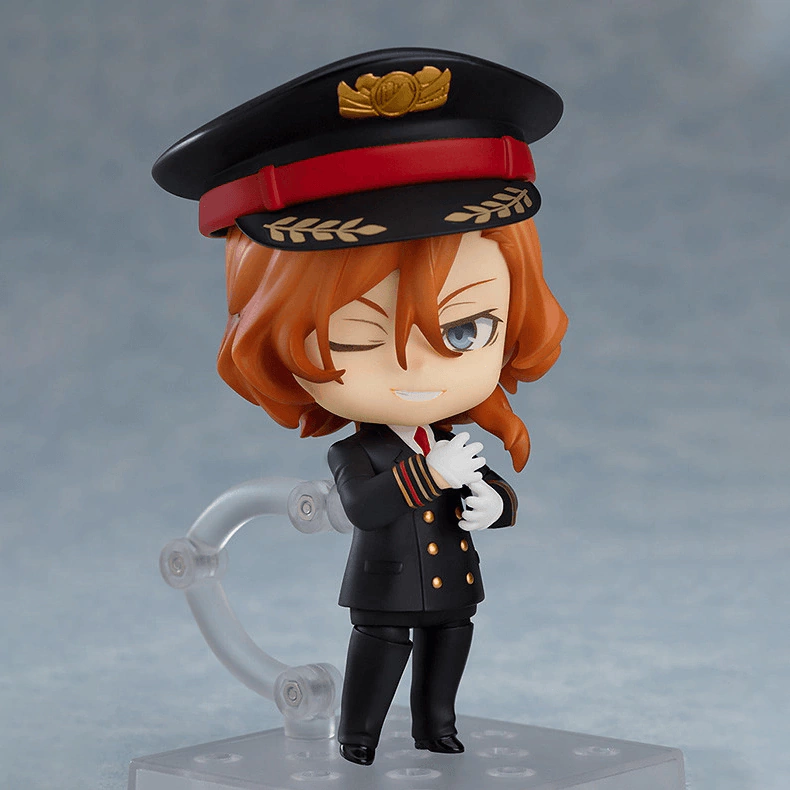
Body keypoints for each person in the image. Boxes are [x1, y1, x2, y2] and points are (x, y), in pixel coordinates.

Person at [153, 47, 567, 766]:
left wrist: (494, 503)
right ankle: (358, 737)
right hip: (384, 592)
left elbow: (485, 488)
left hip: (453, 585)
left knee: (450, 648)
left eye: (465, 332)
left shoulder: (447, 439)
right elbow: (366, 507)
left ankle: (437, 727)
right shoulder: (355, 451)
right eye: (357, 338)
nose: (418, 368)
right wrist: (433, 476)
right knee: (381, 656)